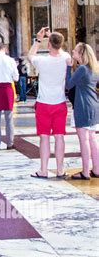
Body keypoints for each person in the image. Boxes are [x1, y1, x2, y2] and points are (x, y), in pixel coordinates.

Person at [27, 27, 71, 179]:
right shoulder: (66, 58)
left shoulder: (42, 61)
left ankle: (43, 171)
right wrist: (52, 35)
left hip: (44, 104)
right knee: (59, 137)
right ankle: (60, 170)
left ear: (48, 45)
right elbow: (59, 45)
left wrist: (39, 39)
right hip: (59, 103)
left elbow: (30, 55)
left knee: (44, 137)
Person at [66, 43, 99, 180]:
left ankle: (85, 172)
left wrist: (68, 67)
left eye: (75, 50)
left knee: (84, 140)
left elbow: (68, 85)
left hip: (83, 106)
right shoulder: (94, 68)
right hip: (94, 106)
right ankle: (97, 169)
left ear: (81, 53)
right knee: (92, 138)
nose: (73, 51)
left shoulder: (82, 69)